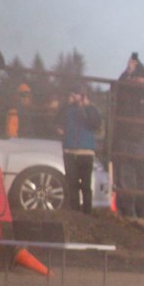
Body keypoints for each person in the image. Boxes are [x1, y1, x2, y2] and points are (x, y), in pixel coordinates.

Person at [114, 52, 144, 221]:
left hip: (143, 140)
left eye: (140, 78)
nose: (137, 80)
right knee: (126, 178)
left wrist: (141, 67)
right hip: (126, 140)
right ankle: (128, 211)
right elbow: (116, 87)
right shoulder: (125, 90)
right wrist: (127, 71)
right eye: (135, 77)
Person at [61, 86, 102, 214]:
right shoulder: (68, 109)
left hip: (86, 152)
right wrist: (69, 104)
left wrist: (86, 107)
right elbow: (57, 119)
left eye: (81, 96)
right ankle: (74, 210)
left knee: (85, 184)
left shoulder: (92, 110)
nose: (78, 99)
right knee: (71, 183)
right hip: (69, 150)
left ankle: (87, 211)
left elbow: (95, 124)